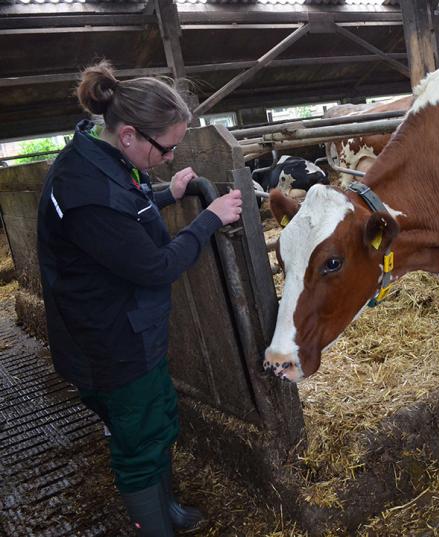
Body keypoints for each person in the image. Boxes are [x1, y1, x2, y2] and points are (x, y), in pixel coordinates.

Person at [36, 60, 242, 536]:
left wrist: (166, 194)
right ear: (129, 134)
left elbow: (127, 209)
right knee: (138, 441)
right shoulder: (85, 189)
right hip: (111, 345)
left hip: (124, 330)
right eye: (166, 148)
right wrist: (208, 217)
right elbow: (156, 267)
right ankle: (154, 526)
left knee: (154, 422)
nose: (171, 156)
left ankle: (164, 507)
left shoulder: (102, 160)